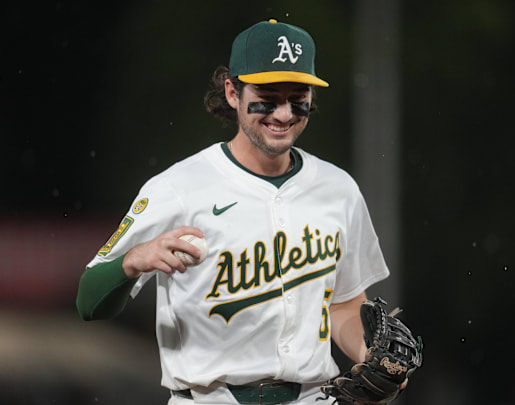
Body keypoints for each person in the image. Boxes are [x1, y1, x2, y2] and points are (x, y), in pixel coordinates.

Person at [76, 19, 395, 405]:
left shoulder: (338, 189)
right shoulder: (178, 188)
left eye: (298, 98)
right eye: (267, 97)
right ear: (232, 92)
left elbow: (344, 303)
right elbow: (88, 301)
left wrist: (373, 357)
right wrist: (131, 261)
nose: (283, 113)